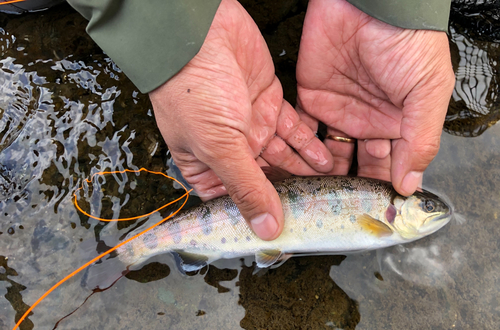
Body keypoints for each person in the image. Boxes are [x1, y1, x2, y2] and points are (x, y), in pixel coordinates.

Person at [64, 0, 455, 241]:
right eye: (424, 208)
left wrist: (386, 8)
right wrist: (178, 51)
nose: (431, 211)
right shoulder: (383, 215)